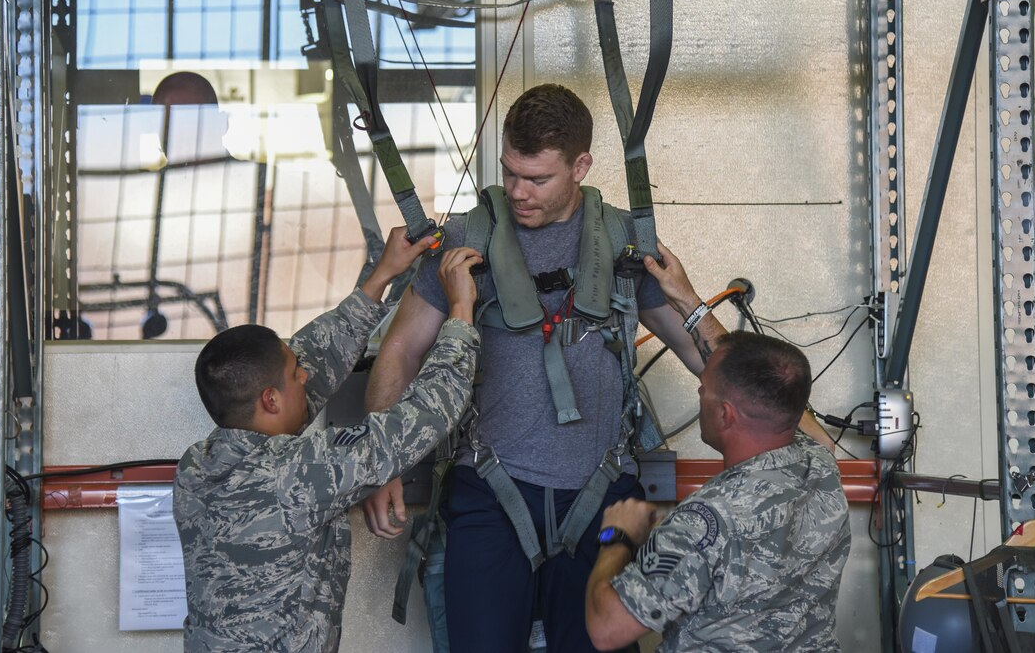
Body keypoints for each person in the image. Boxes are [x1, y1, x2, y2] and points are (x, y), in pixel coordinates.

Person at [361, 83, 730, 652]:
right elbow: (402, 350)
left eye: (537, 179)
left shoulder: (624, 242)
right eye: (509, 173)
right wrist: (381, 463)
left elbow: (711, 361)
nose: (517, 192)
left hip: (601, 492)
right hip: (490, 488)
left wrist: (692, 302)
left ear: (581, 165)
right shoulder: (467, 239)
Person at [173, 226, 483, 652]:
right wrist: (461, 312)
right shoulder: (296, 473)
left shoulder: (195, 467)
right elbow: (426, 414)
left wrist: (382, 276)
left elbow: (310, 364)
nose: (306, 373)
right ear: (269, 399)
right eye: (294, 371)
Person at [585, 331, 851, 652]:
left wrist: (617, 537)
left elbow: (606, 629)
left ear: (725, 414)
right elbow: (786, 393)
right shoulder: (820, 463)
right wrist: (688, 302)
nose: (700, 391)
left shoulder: (703, 521)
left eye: (704, 389)